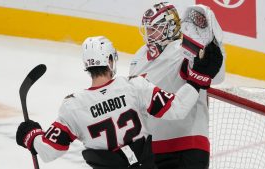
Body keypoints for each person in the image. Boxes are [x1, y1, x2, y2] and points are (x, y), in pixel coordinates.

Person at [16, 35, 220, 169]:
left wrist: (30, 135)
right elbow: (178, 109)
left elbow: (48, 151)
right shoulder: (134, 86)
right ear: (110, 61)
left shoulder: (73, 106)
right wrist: (196, 81)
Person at [129, 2, 225, 169]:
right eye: (148, 28)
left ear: (170, 28)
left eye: (155, 29)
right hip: (152, 148)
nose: (149, 34)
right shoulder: (140, 55)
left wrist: (214, 42)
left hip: (188, 144)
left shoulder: (183, 51)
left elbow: (215, 75)